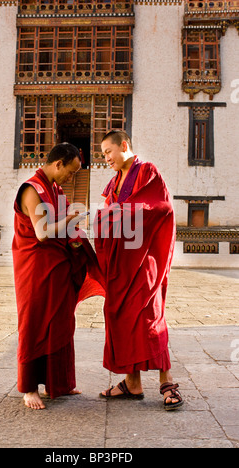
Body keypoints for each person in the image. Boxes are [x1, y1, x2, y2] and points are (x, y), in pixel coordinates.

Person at [94, 130, 184, 411]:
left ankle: (166, 381)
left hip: (144, 261)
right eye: (102, 154)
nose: (105, 158)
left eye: (108, 152)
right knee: (119, 314)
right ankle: (132, 383)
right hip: (122, 262)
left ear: (124, 145)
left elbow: (160, 205)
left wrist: (118, 212)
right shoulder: (114, 182)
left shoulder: (147, 171)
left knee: (149, 316)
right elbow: (111, 213)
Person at [12, 143, 105, 410]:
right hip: (36, 267)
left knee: (61, 321)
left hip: (58, 265)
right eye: (72, 171)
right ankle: (29, 387)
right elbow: (42, 233)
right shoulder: (32, 189)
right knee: (36, 320)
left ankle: (58, 382)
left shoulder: (56, 189)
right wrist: (71, 219)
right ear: (58, 164)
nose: (72, 177)